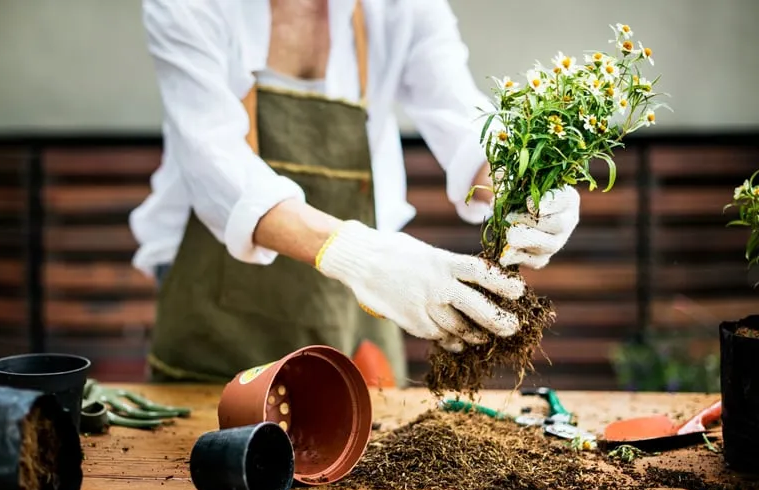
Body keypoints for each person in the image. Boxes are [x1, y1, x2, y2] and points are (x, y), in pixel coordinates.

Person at [129, 0, 581, 386]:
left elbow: (462, 118)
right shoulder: (192, 6)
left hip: (362, 302)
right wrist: (367, 259)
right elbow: (217, 167)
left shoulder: (401, 8)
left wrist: (521, 181)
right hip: (217, 307)